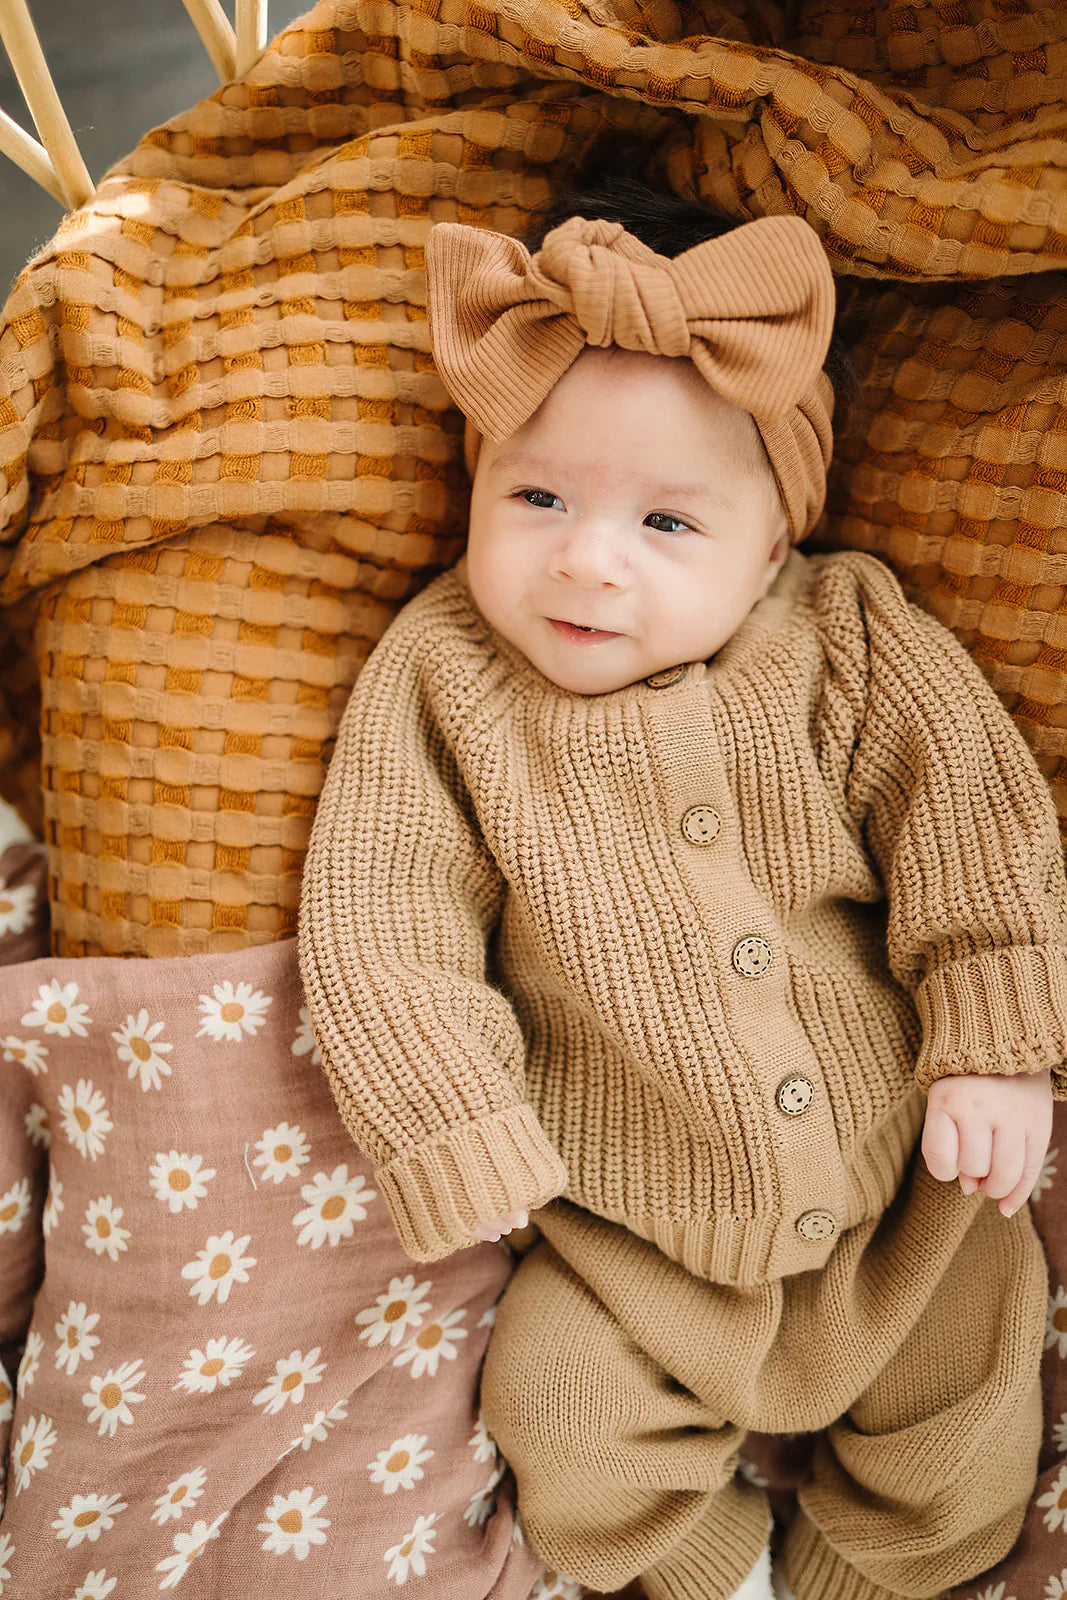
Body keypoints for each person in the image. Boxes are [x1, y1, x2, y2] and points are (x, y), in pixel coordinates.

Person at [297, 179, 1066, 1600]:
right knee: (561, 1410)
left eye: (668, 524)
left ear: (775, 540)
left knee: (969, 1400)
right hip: (630, 1243)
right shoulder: (445, 675)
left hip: (912, 1196)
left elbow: (976, 821)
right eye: (534, 496)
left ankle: (883, 1575)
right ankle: (700, 1575)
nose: (586, 558)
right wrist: (458, 1124)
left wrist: (999, 1047)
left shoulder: (845, 637)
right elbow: (379, 915)